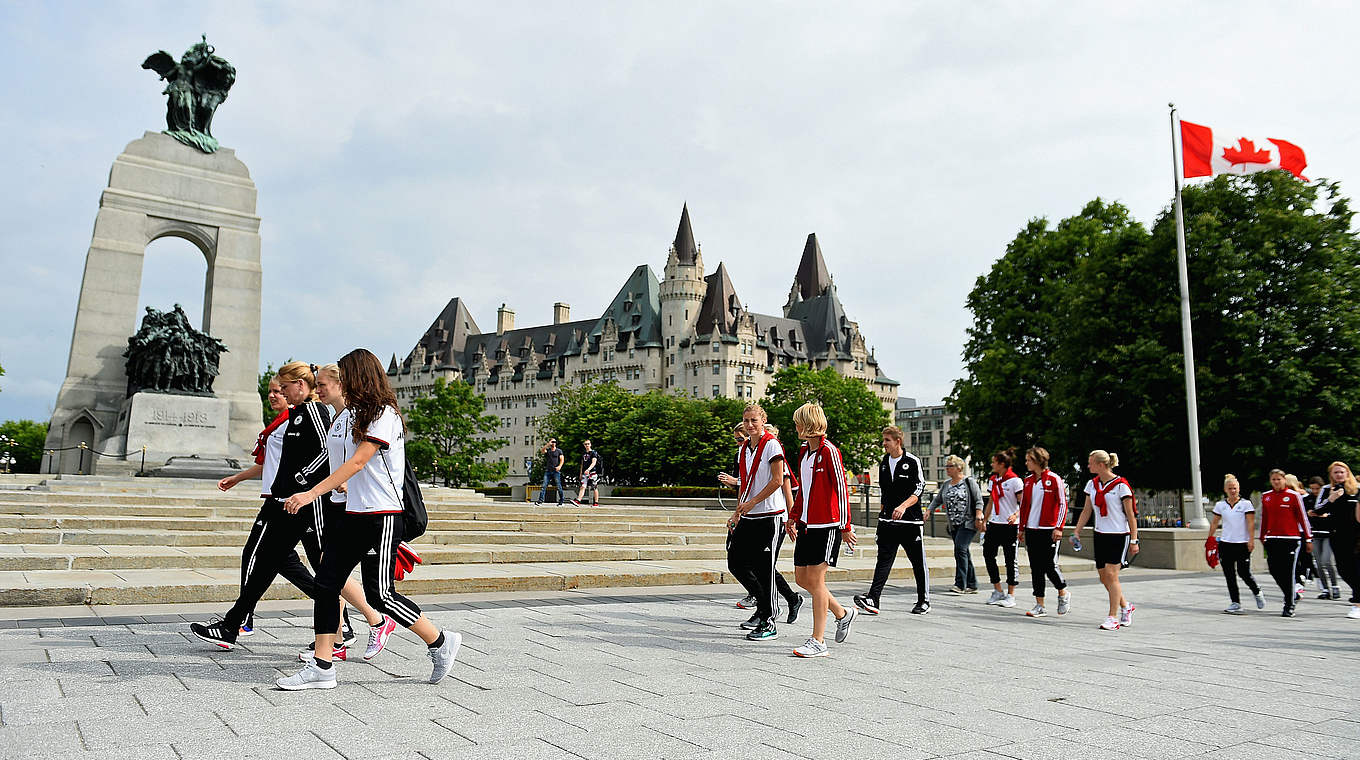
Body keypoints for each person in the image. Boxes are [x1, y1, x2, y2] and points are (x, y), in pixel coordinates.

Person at [277, 349, 461, 690]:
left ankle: (440, 641)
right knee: (326, 583)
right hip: (352, 513)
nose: (338, 382)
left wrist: (310, 494)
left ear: (360, 376)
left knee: (380, 596)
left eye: (345, 374)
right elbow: (345, 464)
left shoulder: (383, 414)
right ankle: (322, 666)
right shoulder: (349, 416)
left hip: (382, 515)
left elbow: (360, 462)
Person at [190, 362, 348, 652]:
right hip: (288, 502)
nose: (283, 394)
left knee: (319, 570)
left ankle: (339, 632)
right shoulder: (298, 412)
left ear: (301, 385)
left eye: (285, 388)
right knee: (265, 564)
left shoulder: (313, 411)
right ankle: (231, 625)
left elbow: (328, 451)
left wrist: (303, 482)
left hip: (303, 504)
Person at [212, 376, 312, 637]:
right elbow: (270, 463)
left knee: (256, 556)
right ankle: (338, 614)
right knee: (283, 563)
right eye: (270, 391)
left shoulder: (297, 419)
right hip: (275, 498)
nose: (273, 395)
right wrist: (238, 477)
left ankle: (241, 620)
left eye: (279, 391)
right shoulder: (279, 424)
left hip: (284, 501)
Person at [315, 362, 397, 662]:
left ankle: (375, 620)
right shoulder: (337, 417)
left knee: (331, 574)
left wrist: (319, 488)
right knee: (327, 574)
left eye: (323, 384)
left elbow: (360, 460)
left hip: (359, 507)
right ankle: (337, 641)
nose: (318, 389)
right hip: (339, 503)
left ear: (340, 383)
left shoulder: (359, 416)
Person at [786, 403, 858, 657]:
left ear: (807, 424)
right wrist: (793, 516)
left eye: (798, 423)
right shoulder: (805, 453)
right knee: (801, 579)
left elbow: (841, 489)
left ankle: (818, 641)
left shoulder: (829, 451)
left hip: (826, 526)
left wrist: (845, 527)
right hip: (806, 524)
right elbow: (803, 490)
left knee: (816, 581)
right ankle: (842, 612)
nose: (795, 427)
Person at [725, 404, 792, 641]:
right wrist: (737, 512)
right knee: (736, 562)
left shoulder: (771, 444)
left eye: (754, 420)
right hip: (750, 515)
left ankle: (769, 619)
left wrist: (752, 502)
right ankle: (765, 607)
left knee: (765, 570)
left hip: (769, 516)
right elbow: (746, 482)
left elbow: (776, 480)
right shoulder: (745, 449)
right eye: (746, 420)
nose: (750, 424)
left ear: (763, 420)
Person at [853, 425, 928, 615]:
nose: (883, 444)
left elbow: (919, 489)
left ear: (898, 441)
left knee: (918, 562)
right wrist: (881, 520)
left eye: (887, 440)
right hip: (887, 522)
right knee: (883, 560)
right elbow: (885, 494)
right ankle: (873, 598)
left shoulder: (912, 462)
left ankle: (923, 600)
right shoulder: (884, 462)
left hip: (910, 523)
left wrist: (903, 506)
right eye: (883, 440)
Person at [1071, 450, 1138, 630]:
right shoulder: (1091, 485)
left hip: (1119, 535)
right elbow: (1087, 510)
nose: (1088, 466)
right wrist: (1077, 531)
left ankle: (1113, 617)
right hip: (1100, 534)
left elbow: (1131, 515)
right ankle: (1126, 606)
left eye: (1090, 463)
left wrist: (1134, 540)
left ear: (1101, 465)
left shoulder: (1121, 486)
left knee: (1111, 574)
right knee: (1103, 577)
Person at [1018, 446, 1071, 618]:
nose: (1026, 463)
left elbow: (1063, 504)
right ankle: (1039, 604)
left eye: (1028, 460)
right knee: (1035, 567)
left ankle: (1062, 591)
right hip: (1032, 529)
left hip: (1049, 529)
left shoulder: (1054, 479)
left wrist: (1059, 527)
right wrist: (1022, 528)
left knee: (1049, 565)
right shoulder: (1027, 481)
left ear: (1037, 461)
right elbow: (1024, 506)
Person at [1259, 468, 1312, 618]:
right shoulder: (1266, 497)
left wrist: (1308, 538)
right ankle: (1292, 593)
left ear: (1284, 480)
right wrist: (1262, 536)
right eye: (1273, 479)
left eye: (1279, 479)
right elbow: (1265, 518)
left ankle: (1289, 605)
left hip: (1291, 539)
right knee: (1274, 569)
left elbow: (1303, 518)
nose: (1276, 482)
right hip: (1272, 539)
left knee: (1288, 572)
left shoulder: (1293, 496)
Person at [1208, 474, 1264, 614]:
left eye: (1235, 488)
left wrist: (1251, 540)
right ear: (1225, 490)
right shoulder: (1221, 505)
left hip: (1242, 543)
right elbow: (1215, 522)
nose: (1233, 491)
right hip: (1226, 543)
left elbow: (1250, 523)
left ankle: (1257, 591)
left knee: (1243, 572)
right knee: (1229, 574)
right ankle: (1235, 602)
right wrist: (1210, 538)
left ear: (1238, 489)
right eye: (1230, 488)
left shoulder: (1246, 504)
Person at [928, 454, 982, 595]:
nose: (947, 469)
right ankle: (972, 584)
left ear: (959, 468)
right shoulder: (946, 484)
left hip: (968, 523)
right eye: (946, 466)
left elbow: (978, 501)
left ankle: (960, 584)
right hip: (954, 524)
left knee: (960, 549)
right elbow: (938, 499)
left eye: (950, 466)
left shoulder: (969, 482)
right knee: (963, 551)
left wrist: (978, 515)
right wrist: (929, 511)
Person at [720, 423, 758, 611]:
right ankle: (763, 597)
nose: (738, 443)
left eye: (740, 439)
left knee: (752, 561)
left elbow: (774, 481)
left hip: (759, 512)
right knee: (735, 558)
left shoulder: (764, 451)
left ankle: (766, 599)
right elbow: (742, 487)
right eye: (735, 440)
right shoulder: (741, 455)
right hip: (744, 511)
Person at [982, 448, 1024, 607]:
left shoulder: (1015, 481)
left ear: (1002, 464)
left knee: (1010, 559)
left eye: (994, 462)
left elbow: (1024, 503)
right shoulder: (993, 480)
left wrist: (1016, 515)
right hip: (995, 524)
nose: (992, 464)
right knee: (988, 554)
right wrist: (984, 520)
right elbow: (991, 502)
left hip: (1010, 526)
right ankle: (997, 589)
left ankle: (1011, 594)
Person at [1318, 462, 1360, 618]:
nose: (1339, 475)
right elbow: (1317, 510)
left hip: (1356, 536)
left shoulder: (1357, 490)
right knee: (1343, 569)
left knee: (1356, 568)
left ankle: (1357, 603)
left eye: (1342, 472)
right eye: (1335, 472)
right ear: (1331, 475)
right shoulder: (1328, 490)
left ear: (1347, 473)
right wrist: (1331, 499)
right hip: (1337, 535)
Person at [1304, 475, 1338, 599]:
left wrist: (1323, 514)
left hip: (1328, 533)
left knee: (1326, 561)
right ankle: (1325, 589)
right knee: (1318, 563)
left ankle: (1335, 586)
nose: (1315, 492)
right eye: (1312, 489)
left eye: (1317, 488)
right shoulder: (1307, 499)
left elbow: (1330, 512)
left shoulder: (1327, 496)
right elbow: (1306, 515)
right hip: (1315, 533)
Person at [572, 439, 602, 507]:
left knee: (594, 487)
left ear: (590, 444)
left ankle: (596, 502)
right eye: (585, 444)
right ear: (584, 445)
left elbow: (594, 462)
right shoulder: (584, 453)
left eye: (588, 444)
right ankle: (578, 500)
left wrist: (589, 469)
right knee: (583, 486)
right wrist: (581, 473)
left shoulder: (594, 453)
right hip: (585, 473)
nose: (587, 445)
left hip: (592, 472)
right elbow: (582, 464)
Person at [535, 439, 565, 506]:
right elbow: (542, 451)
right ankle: (540, 500)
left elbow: (562, 459)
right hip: (548, 471)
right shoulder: (548, 451)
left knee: (558, 486)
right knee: (544, 486)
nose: (553, 443)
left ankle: (561, 501)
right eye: (552, 442)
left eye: (555, 442)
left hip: (556, 471)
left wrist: (559, 466)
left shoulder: (559, 451)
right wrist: (548, 445)